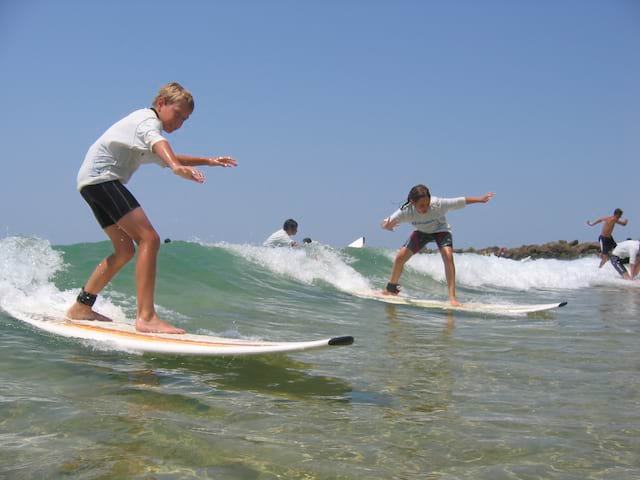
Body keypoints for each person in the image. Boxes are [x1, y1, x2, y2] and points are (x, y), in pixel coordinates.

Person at [66, 82, 237, 334]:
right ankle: (146, 317)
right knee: (150, 239)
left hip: (90, 182)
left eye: (185, 119)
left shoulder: (140, 133)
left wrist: (208, 161)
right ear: (161, 104)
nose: (179, 122)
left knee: (124, 250)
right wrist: (177, 168)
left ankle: (82, 306)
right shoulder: (147, 121)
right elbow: (161, 145)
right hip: (103, 179)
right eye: (177, 114)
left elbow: (167, 155)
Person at [381, 184, 495, 306]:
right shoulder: (405, 212)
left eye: (427, 204)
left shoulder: (438, 204)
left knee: (448, 256)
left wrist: (481, 200)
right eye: (421, 206)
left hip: (441, 231)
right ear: (413, 203)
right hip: (421, 232)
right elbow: (385, 222)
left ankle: (452, 298)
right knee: (400, 257)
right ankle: (391, 289)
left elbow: (461, 201)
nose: (425, 208)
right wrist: (387, 226)